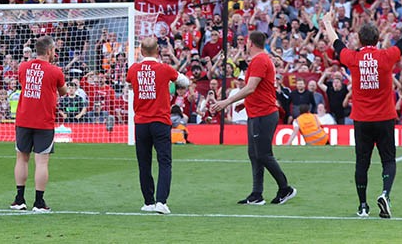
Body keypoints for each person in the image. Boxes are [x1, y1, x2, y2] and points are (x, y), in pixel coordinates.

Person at [321, 6, 402, 219]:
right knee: (388, 160)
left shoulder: (353, 58)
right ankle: (385, 194)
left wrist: (328, 22)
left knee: (362, 163)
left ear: (359, 39)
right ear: (377, 39)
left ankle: (363, 206)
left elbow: (335, 42)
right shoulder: (386, 56)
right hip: (384, 118)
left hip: (361, 119)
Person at [211, 31, 296, 206]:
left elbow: (250, 87)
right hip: (257, 112)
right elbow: (257, 89)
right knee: (254, 154)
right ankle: (257, 194)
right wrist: (245, 103)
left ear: (250, 43)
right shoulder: (261, 60)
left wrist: (226, 101)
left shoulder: (260, 60)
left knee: (263, 154)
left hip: (263, 114)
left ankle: (285, 188)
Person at [126, 36, 190, 215]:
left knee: (144, 163)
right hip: (160, 121)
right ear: (157, 50)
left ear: (141, 50)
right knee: (164, 162)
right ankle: (161, 201)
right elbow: (185, 82)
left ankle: (148, 201)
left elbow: (129, 83)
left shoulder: (134, 69)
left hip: (141, 123)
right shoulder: (164, 69)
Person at [11, 35, 67, 213]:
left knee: (22, 158)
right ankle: (39, 201)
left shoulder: (24, 67)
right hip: (44, 120)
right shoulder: (55, 71)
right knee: (42, 162)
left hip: (24, 118)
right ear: (50, 50)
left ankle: (19, 199)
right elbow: (63, 91)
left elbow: (23, 84)